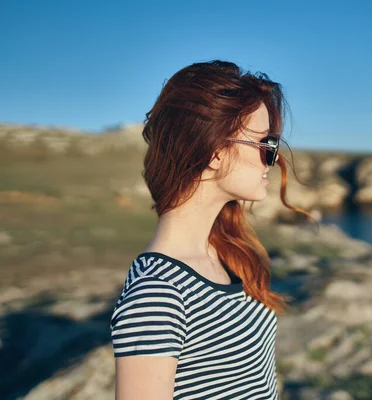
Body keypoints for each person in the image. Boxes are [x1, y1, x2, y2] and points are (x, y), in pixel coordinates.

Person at [109, 60, 317, 400]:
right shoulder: (158, 293)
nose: (274, 159)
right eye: (266, 144)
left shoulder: (222, 252)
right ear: (215, 151)